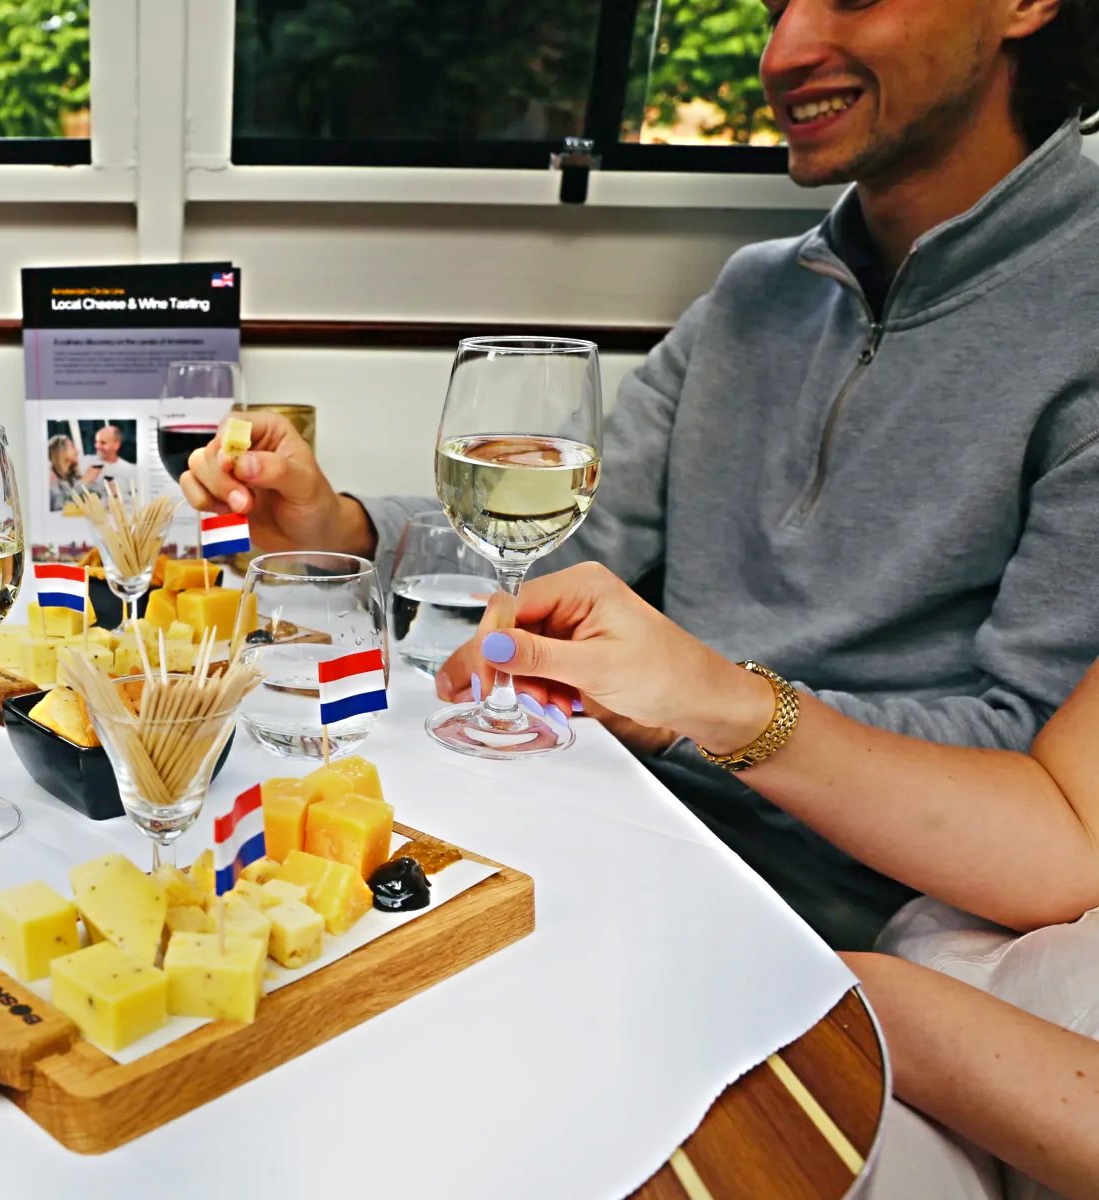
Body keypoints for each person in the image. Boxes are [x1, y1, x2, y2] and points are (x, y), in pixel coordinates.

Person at [182, 0, 1099, 950]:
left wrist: (705, 707)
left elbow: (1036, 767)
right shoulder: (755, 293)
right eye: (776, 8)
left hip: (843, 898)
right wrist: (342, 530)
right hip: (630, 801)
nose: (782, 55)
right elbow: (585, 541)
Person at [443, 563, 1099, 1198]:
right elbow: (1072, 836)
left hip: (954, 1049)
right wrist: (703, 707)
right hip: (934, 1003)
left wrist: (855, 997)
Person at [86, 422, 137, 497]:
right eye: (96, 442)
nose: (97, 446)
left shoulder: (130, 470)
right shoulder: (85, 461)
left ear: (116, 445)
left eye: (103, 443)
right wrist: (85, 481)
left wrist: (116, 495)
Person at [47, 432, 83, 511]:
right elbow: (60, 506)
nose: (77, 451)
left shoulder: (74, 475)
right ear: (61, 452)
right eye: (72, 447)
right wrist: (84, 482)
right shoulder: (51, 479)